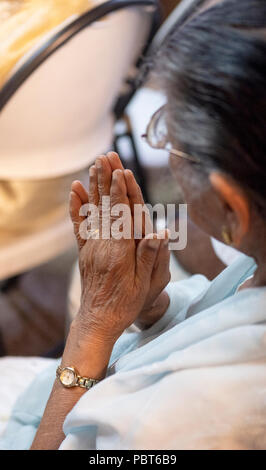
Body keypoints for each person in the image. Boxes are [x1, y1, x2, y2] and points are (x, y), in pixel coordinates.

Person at [1, 0, 266, 450]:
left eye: (167, 134)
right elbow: (215, 322)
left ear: (232, 207)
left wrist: (93, 326)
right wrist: (153, 308)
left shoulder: (190, 416)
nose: (158, 142)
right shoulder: (255, 264)